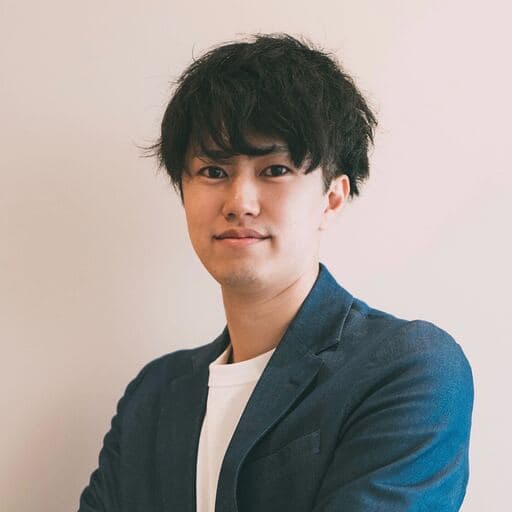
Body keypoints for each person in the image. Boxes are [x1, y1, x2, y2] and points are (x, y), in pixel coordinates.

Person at [77, 33, 473, 511]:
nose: (239, 203)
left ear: (332, 198)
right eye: (213, 171)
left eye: (275, 170)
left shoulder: (408, 366)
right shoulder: (152, 396)